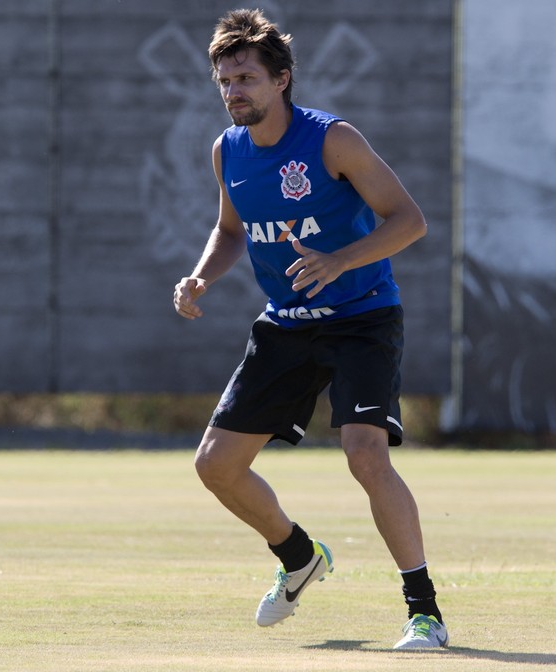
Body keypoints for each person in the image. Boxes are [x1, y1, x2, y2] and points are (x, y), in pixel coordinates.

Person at [172, 8, 447, 650]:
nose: (233, 91)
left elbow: (410, 221)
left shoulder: (333, 140)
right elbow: (231, 229)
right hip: (286, 325)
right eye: (224, 81)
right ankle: (299, 557)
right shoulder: (228, 149)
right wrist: (201, 277)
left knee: (364, 454)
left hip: (361, 317)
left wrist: (339, 261)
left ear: (282, 80)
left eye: (245, 78)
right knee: (216, 466)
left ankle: (424, 612)